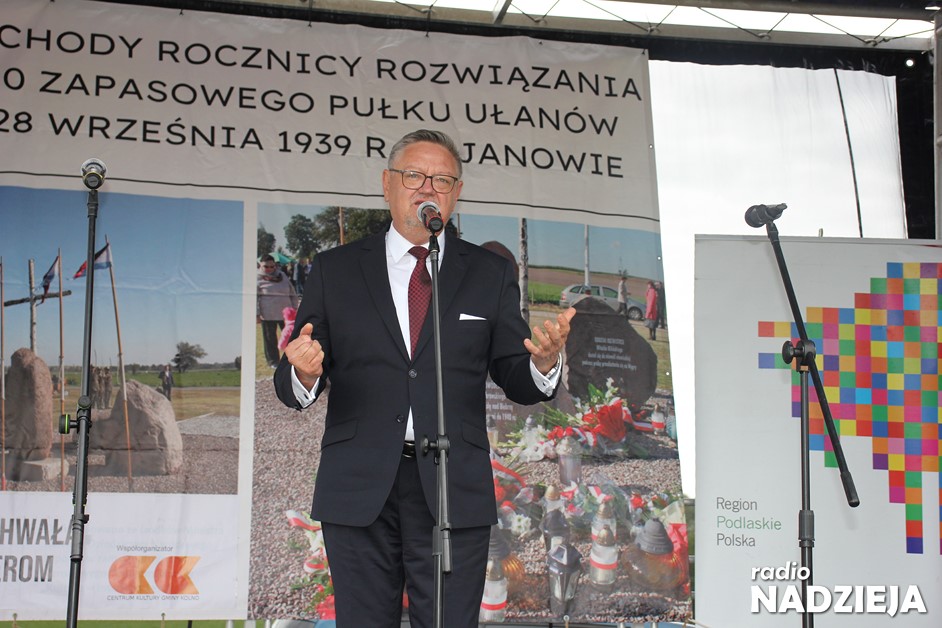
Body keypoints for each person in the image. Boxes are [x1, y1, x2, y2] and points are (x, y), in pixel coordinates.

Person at [274, 129, 576, 628]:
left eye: (441, 179)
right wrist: (303, 371)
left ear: (456, 194)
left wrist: (543, 364)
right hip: (358, 484)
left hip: (453, 486)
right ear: (387, 184)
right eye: (414, 175)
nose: (427, 188)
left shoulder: (488, 273)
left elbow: (515, 375)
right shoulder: (336, 270)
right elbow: (296, 378)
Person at [257, 254, 300, 367]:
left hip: (287, 314)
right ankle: (273, 361)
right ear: (260, 265)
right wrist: (257, 314)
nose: (269, 269)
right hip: (268, 314)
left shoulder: (282, 275)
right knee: (270, 339)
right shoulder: (257, 278)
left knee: (291, 337)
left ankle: (293, 358)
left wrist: (295, 308)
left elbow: (292, 292)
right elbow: (254, 298)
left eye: (272, 266)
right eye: (266, 266)